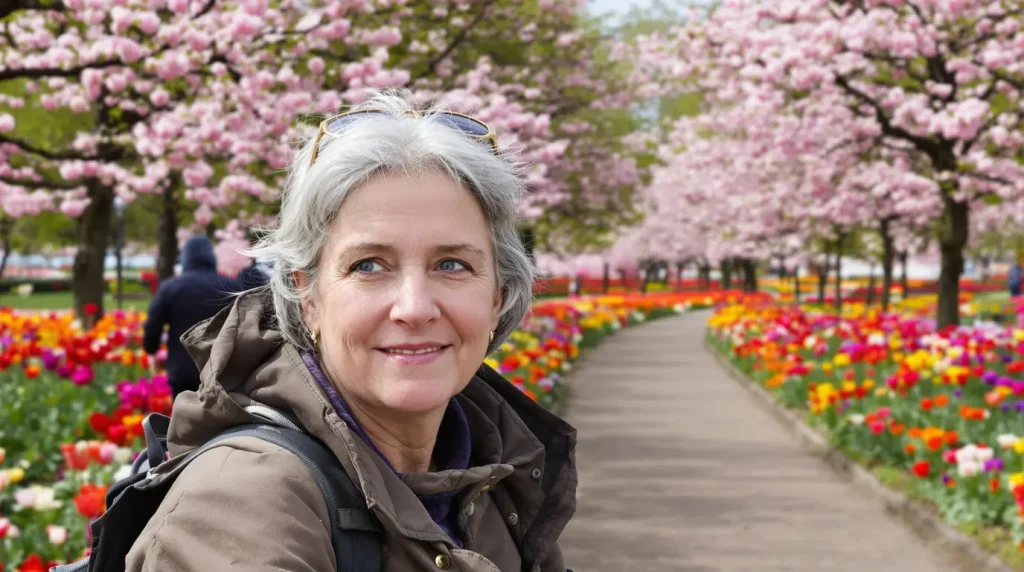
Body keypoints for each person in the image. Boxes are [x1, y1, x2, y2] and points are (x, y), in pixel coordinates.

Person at [126, 90, 577, 572]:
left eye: (452, 263)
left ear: (498, 297)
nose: (414, 307)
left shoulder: (498, 480)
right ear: (309, 298)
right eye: (369, 265)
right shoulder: (247, 507)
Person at [142, 235, 241, 399]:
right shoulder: (231, 287)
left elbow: (152, 328)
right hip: (223, 372)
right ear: (211, 257)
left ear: (185, 258)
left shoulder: (170, 288)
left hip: (182, 371)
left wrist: (151, 347)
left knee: (185, 421)